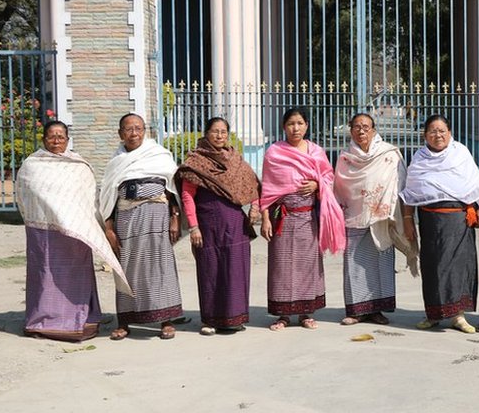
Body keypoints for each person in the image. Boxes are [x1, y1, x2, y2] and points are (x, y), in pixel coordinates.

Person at [16, 121, 131, 341]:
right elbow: (25, 195)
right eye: (52, 136)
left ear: (68, 140)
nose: (57, 140)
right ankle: (42, 319)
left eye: (61, 136)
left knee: (75, 274)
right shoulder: (32, 165)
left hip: (75, 233)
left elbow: (88, 198)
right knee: (45, 274)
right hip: (44, 232)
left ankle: (81, 317)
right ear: (43, 139)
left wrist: (79, 220)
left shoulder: (79, 165)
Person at [259, 108, 346, 331]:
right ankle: (282, 314)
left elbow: (329, 177)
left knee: (308, 264)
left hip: (309, 216)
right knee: (281, 264)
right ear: (283, 127)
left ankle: (306, 313)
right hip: (282, 214)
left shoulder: (316, 152)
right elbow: (267, 188)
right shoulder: (274, 153)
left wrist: (317, 184)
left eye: (299, 123)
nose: (295, 128)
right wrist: (266, 219)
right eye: (290, 123)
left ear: (307, 125)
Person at [100, 113, 184, 340]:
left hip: (157, 214)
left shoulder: (158, 155)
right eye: (128, 129)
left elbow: (172, 188)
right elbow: (107, 197)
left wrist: (175, 217)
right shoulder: (116, 162)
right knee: (127, 267)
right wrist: (109, 229)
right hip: (126, 218)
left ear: (145, 131)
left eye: (138, 128)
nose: (134, 133)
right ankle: (125, 322)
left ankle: (166, 320)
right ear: (120, 134)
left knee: (160, 264)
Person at [400, 115, 479, 334]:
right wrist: (408, 220)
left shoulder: (461, 154)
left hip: (458, 220)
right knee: (432, 267)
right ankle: (434, 314)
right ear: (425, 135)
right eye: (432, 131)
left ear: (450, 132)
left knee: (459, 266)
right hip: (430, 222)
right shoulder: (419, 159)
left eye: (442, 131)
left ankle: (459, 315)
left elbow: (474, 183)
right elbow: (409, 193)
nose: (437, 135)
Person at [175, 117, 260, 336]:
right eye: (215, 131)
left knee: (235, 269)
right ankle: (210, 319)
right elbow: (187, 195)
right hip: (208, 224)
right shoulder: (196, 161)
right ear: (206, 133)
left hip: (234, 223)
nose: (219, 136)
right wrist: (193, 227)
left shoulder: (235, 160)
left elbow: (253, 184)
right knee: (210, 269)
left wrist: (255, 207)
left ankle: (235, 317)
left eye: (223, 132)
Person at [333, 113, 419, 326]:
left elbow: (401, 183)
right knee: (354, 265)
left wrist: (401, 215)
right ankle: (356, 310)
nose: (361, 131)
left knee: (381, 264)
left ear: (373, 129)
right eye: (356, 127)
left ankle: (377, 310)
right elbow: (338, 188)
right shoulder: (345, 157)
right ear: (350, 129)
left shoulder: (389, 154)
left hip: (382, 217)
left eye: (366, 127)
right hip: (353, 216)